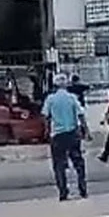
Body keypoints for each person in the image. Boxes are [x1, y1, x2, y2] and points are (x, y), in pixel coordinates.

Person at [42, 72, 88, 201]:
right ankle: (83, 189)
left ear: (55, 85)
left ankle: (63, 192)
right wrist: (86, 131)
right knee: (78, 163)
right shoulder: (72, 98)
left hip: (57, 135)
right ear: (66, 85)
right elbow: (80, 115)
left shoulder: (50, 99)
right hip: (72, 134)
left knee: (59, 165)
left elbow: (45, 116)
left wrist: (46, 131)